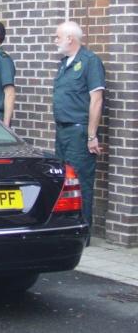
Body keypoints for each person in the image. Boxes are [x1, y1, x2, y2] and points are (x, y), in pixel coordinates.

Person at [53, 20, 105, 229]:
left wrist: (92, 135)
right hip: (62, 130)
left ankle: (83, 231)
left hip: (78, 131)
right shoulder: (64, 63)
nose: (55, 41)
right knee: (64, 181)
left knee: (81, 181)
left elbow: (97, 99)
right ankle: (67, 227)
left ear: (70, 38)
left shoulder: (89, 61)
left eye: (57, 37)